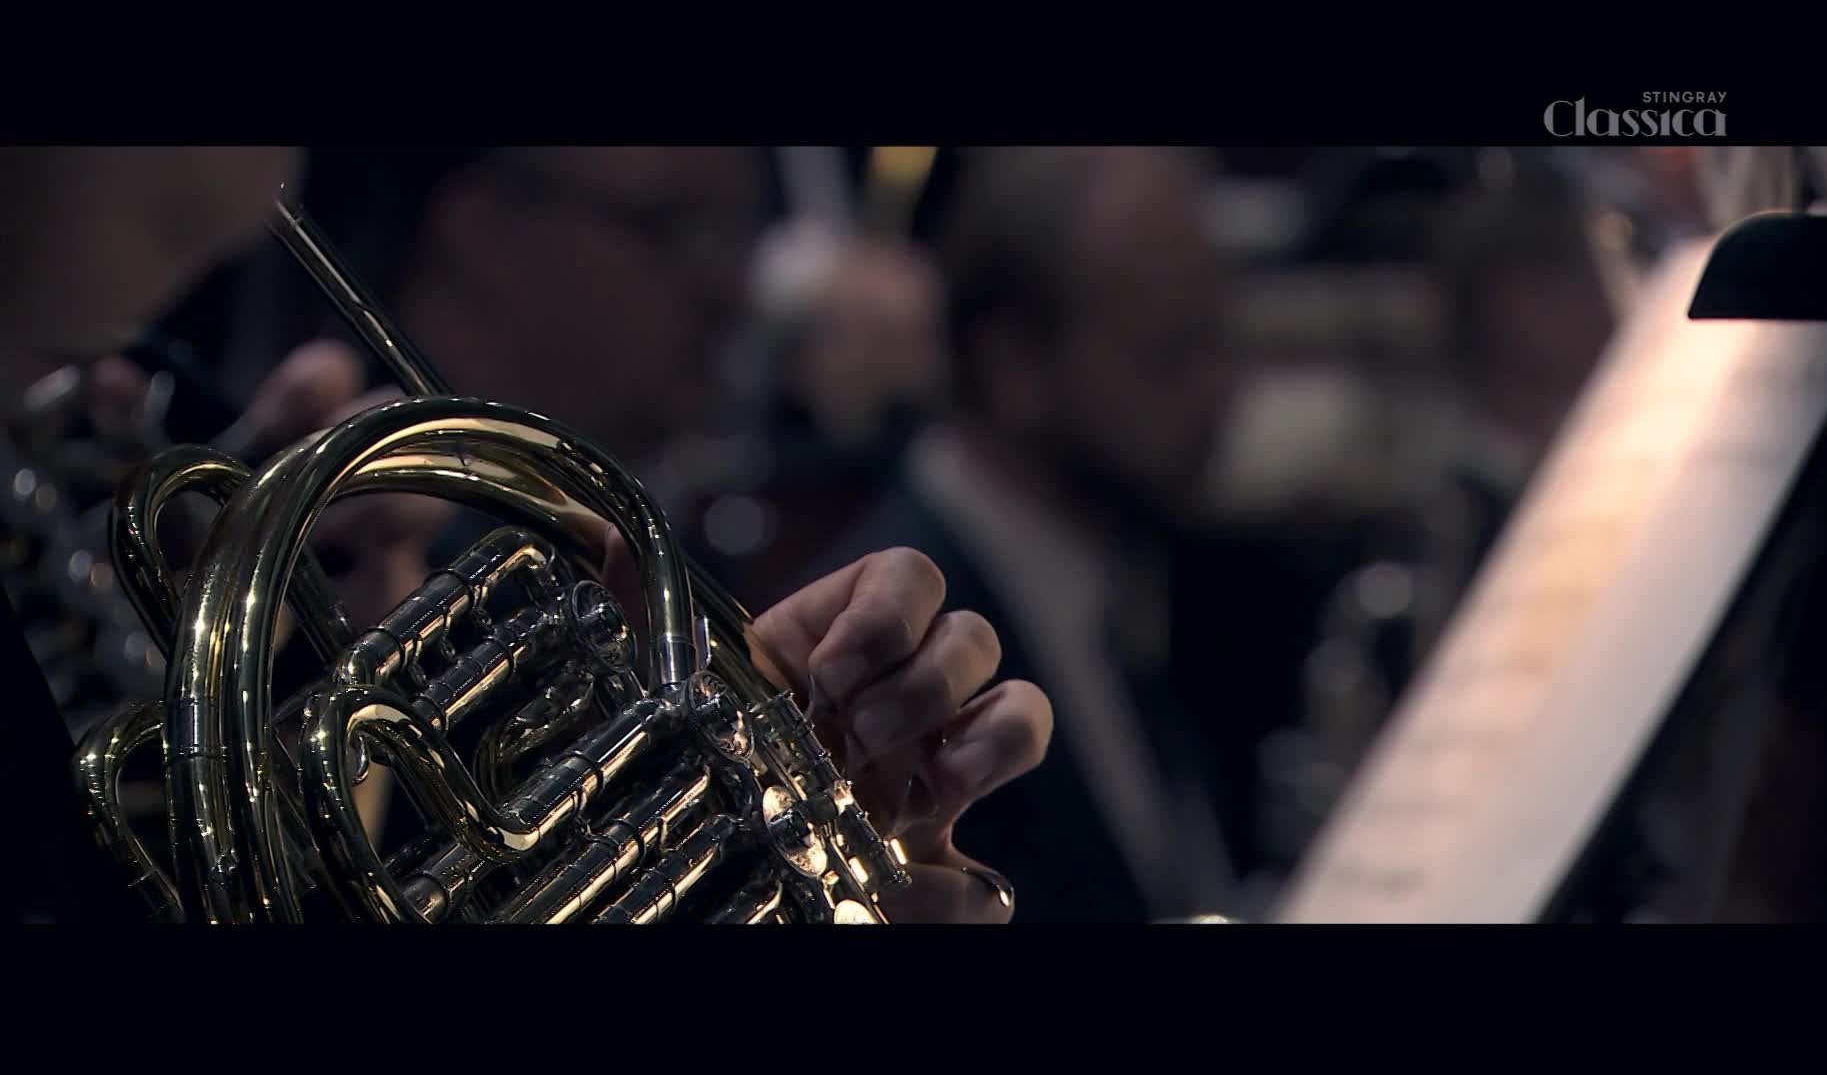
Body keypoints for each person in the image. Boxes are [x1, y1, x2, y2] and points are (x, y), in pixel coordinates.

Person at [0, 145, 1051, 925]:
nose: (733, 283)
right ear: (480, 227)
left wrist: (748, 879)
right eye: (677, 230)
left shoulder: (206, 475)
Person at [805, 147, 1250, 922]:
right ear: (1013, 368)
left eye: (1221, 338)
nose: (1223, 392)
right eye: (1171, 355)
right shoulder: (881, 646)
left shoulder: (1147, 563)